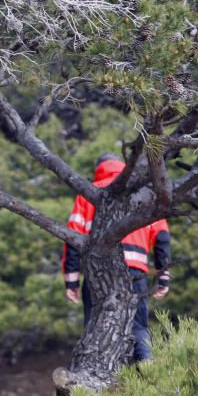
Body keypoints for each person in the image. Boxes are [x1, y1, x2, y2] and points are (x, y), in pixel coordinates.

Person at [62, 154, 171, 361]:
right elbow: (162, 238)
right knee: (138, 327)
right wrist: (163, 277)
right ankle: (148, 372)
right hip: (135, 271)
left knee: (95, 328)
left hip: (98, 273)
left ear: (99, 169)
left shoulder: (88, 194)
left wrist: (71, 282)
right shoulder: (145, 194)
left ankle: (98, 383)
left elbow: (72, 239)